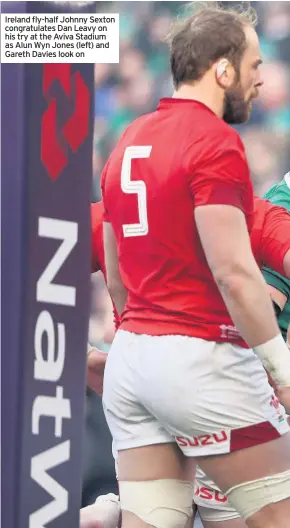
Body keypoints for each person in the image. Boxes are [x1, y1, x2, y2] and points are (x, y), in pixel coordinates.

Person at [101, 5, 290, 528]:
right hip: (200, 360)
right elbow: (233, 271)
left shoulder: (129, 136)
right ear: (223, 69)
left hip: (132, 362)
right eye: (253, 66)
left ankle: (103, 515)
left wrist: (134, 344)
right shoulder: (213, 140)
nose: (260, 79)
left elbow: (117, 275)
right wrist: (282, 367)